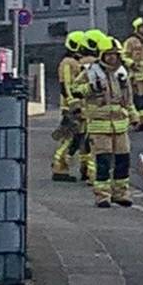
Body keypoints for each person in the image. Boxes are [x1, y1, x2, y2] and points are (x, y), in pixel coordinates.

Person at [82, 34, 138, 207]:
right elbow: (76, 90)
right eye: (109, 54)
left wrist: (133, 115)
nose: (112, 57)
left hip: (120, 126)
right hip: (99, 126)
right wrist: (91, 88)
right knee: (103, 162)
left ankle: (121, 193)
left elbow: (128, 99)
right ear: (102, 55)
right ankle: (102, 196)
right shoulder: (91, 72)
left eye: (115, 54)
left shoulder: (122, 74)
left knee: (123, 161)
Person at [51, 31, 92, 182]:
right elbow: (66, 85)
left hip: (79, 106)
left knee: (80, 137)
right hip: (72, 107)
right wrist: (73, 104)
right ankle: (59, 167)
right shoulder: (67, 63)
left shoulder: (74, 62)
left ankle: (76, 167)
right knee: (70, 137)